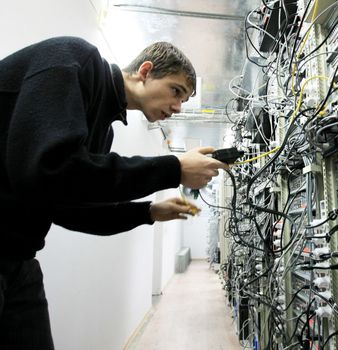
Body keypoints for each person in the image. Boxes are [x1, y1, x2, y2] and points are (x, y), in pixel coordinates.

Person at [0, 36, 228, 349]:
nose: (177, 107)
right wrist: (173, 168)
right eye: (176, 91)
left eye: (184, 100)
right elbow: (49, 170)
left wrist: (148, 212)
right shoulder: (75, 59)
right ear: (145, 72)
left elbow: (70, 207)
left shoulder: (102, 128)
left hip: (18, 258)